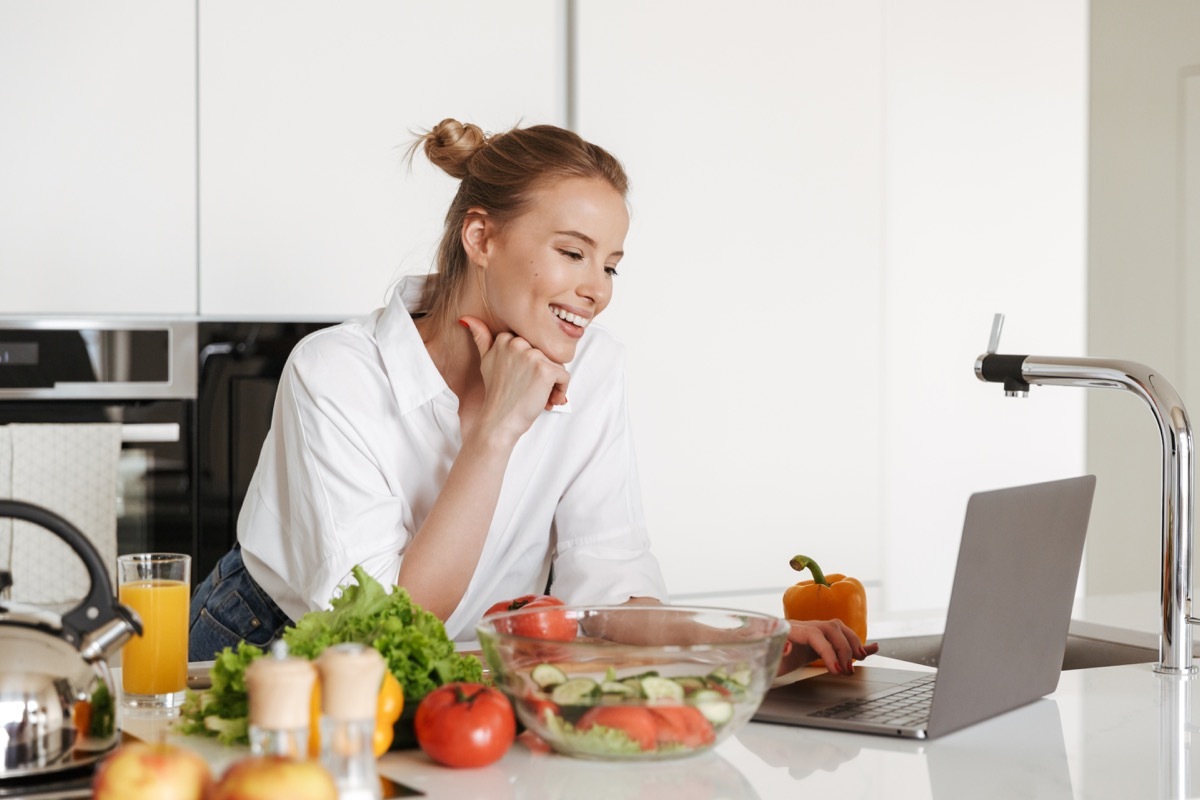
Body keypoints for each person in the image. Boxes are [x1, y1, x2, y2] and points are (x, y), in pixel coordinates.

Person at [188, 118, 874, 675]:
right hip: (272, 649)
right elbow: (379, 631)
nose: (598, 289)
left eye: (610, 265)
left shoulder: (597, 369)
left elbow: (606, 590)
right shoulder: (335, 374)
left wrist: (744, 641)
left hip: (464, 667)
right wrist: (494, 431)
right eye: (573, 254)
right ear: (482, 237)